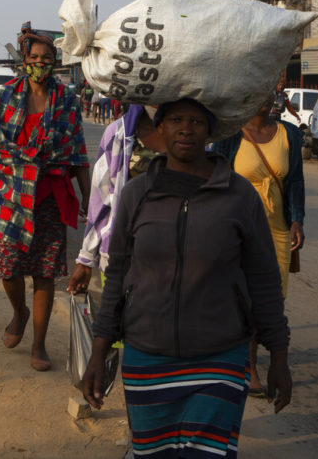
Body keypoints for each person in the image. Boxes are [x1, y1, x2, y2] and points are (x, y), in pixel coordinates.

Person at [83, 98, 291, 458]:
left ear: (210, 130)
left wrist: (279, 356)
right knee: (152, 453)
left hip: (220, 356)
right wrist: (98, 352)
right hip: (147, 355)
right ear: (159, 128)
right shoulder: (136, 194)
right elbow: (116, 273)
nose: (185, 128)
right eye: (175, 119)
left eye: (196, 121)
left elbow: (264, 280)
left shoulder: (239, 196)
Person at [0, 22, 90, 371]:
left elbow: (77, 153)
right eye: (34, 57)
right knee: (9, 269)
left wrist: (90, 198)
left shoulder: (67, 101)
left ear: (55, 61)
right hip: (14, 196)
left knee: (45, 274)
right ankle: (19, 313)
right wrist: (25, 163)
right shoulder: (5, 98)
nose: (40, 63)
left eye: (47, 58)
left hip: (50, 198)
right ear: (24, 59)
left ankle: (39, 345)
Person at [213, 93, 304, 398]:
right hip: (239, 228)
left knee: (272, 298)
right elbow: (217, 176)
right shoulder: (230, 134)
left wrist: (297, 221)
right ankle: (249, 368)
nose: (265, 99)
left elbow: (295, 183)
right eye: (259, 92)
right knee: (246, 298)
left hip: (276, 229)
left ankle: (258, 357)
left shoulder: (288, 134)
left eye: (270, 92)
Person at [67, 104, 164, 294]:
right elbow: (102, 199)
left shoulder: (193, 133)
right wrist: (86, 258)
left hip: (178, 258)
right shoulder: (118, 133)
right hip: (123, 255)